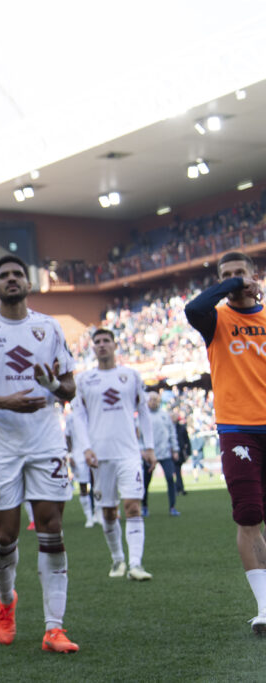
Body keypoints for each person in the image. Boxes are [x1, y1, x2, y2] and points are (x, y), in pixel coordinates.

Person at [0, 254, 79, 653]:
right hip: (0, 445)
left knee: (51, 527)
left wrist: (53, 385)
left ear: (28, 284)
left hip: (45, 441)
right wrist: (5, 402)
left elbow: (70, 389)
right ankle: (6, 601)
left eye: (18, 275)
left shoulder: (49, 327)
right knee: (5, 534)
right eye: (4, 276)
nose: (12, 280)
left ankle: (53, 629)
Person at [183, 251, 266, 633]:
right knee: (248, 514)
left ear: (255, 275)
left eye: (240, 273)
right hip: (237, 428)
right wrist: (233, 285)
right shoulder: (214, 319)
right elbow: (195, 305)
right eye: (226, 275)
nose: (233, 279)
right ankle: (265, 608)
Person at [70, 328, 155, 581]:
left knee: (132, 506)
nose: (102, 345)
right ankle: (118, 560)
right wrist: (85, 447)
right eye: (98, 342)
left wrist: (148, 446)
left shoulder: (130, 376)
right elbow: (78, 416)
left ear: (116, 346)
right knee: (108, 512)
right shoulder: (84, 380)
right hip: (99, 455)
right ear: (93, 348)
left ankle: (136, 564)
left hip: (128, 453)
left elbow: (143, 410)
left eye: (107, 341)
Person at [142, 392, 180, 517]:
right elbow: (138, 436)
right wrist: (142, 451)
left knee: (170, 478)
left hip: (165, 453)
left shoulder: (165, 415)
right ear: (147, 401)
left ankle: (172, 507)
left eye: (155, 399)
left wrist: (175, 449)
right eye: (151, 399)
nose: (153, 402)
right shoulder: (142, 416)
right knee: (145, 482)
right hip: (149, 454)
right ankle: (144, 506)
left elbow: (172, 433)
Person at [64, 409, 98, 528]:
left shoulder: (92, 411)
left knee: (97, 484)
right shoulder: (70, 417)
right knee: (83, 487)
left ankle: (98, 514)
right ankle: (89, 517)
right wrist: (70, 455)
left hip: (94, 452)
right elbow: (67, 437)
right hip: (78, 455)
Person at [173, 410, 192, 496]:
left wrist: (188, 452)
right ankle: (179, 488)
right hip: (172, 452)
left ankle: (178, 488)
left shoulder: (181, 428)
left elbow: (187, 441)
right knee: (176, 472)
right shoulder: (171, 428)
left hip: (179, 453)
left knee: (177, 471)